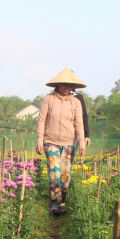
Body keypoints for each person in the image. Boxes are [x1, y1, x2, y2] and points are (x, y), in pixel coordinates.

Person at [36, 68, 86, 216]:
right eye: (64, 84)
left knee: (65, 176)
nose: (67, 87)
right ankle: (53, 203)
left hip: (69, 143)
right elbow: (41, 120)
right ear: (57, 85)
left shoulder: (76, 102)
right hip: (50, 141)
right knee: (55, 171)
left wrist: (82, 143)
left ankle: (61, 201)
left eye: (70, 85)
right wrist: (40, 140)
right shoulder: (48, 99)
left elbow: (79, 123)